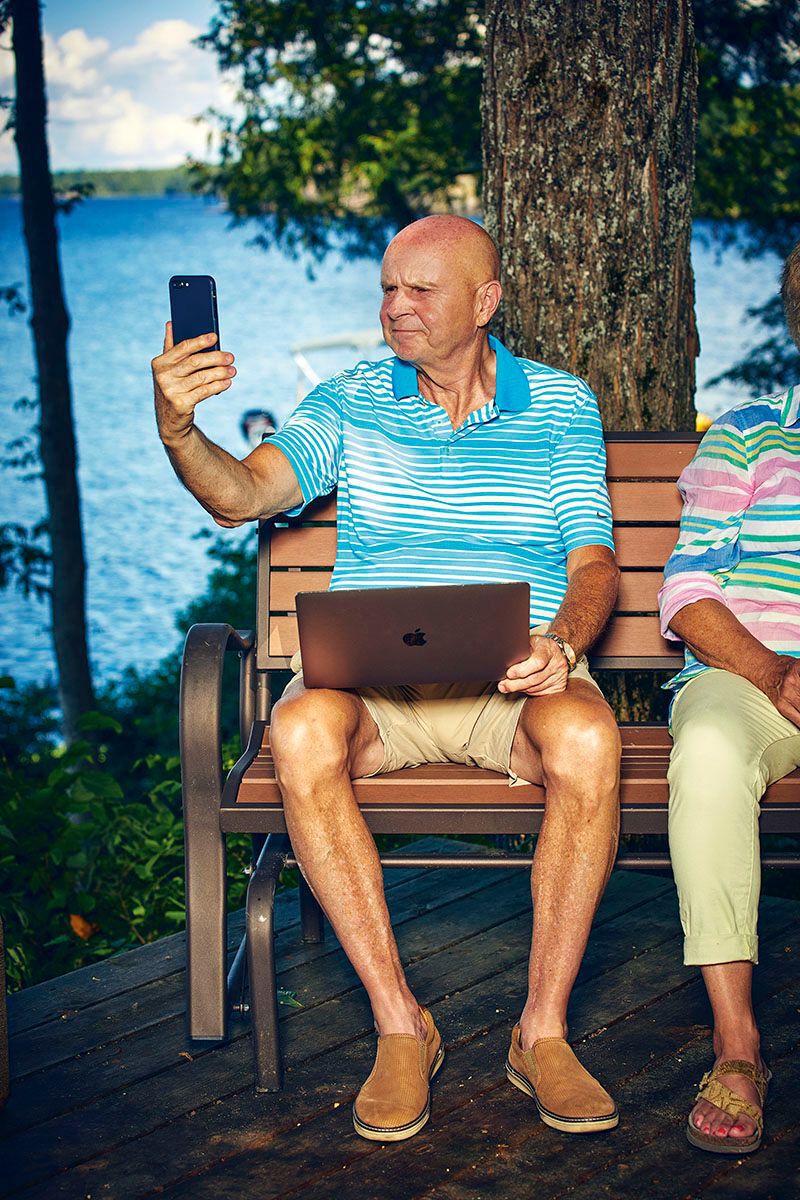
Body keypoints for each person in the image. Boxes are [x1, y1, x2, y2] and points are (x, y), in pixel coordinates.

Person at [152, 215, 622, 1142]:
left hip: (511, 684)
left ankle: (543, 1031)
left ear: (486, 302)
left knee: (589, 736)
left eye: (420, 290)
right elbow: (241, 494)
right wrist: (178, 426)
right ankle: (401, 1025)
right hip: (375, 694)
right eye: (386, 288)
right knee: (298, 730)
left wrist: (563, 646)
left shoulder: (562, 404)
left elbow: (594, 564)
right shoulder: (351, 399)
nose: (393, 308)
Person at [658, 241, 800, 1155]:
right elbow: (687, 589)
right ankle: (739, 1046)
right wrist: (779, 675)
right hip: (754, 679)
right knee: (706, 750)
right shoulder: (749, 433)